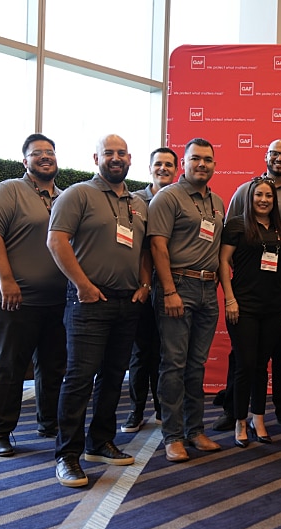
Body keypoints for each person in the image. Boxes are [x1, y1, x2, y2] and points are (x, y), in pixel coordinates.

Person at [47, 134, 152, 487]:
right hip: (89, 301)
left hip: (127, 302)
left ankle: (100, 442)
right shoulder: (78, 194)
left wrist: (144, 284)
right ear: (97, 158)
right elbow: (56, 240)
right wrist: (83, 285)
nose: (116, 158)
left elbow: (144, 250)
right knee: (79, 379)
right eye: (109, 153)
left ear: (130, 158)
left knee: (112, 377)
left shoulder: (139, 203)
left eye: (122, 152)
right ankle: (67, 456)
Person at [214, 139, 281, 434]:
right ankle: (234, 410)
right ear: (266, 156)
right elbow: (231, 240)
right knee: (242, 355)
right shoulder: (245, 190)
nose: (279, 158)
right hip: (248, 288)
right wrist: (243, 277)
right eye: (274, 153)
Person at [0, 133, 67, 456]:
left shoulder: (64, 197)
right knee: (10, 366)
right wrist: (7, 280)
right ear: (24, 161)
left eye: (50, 152)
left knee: (54, 366)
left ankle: (50, 423)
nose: (45, 157)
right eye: (37, 153)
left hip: (56, 300)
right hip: (13, 297)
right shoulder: (8, 191)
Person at [148, 138, 225, 463]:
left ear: (214, 165)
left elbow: (219, 250)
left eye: (208, 159)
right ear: (184, 162)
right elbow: (157, 247)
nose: (202, 164)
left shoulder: (217, 202)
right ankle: (173, 436)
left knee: (196, 366)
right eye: (196, 159)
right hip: (177, 286)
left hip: (209, 290)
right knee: (174, 366)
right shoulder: (168, 197)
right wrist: (168, 291)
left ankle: (195, 430)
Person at [219, 177, 281, 447]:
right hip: (244, 307)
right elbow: (223, 261)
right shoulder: (237, 225)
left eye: (268, 196)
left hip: (274, 307)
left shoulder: (279, 228)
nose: (264, 200)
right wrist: (230, 299)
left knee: (262, 366)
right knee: (245, 365)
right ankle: (240, 420)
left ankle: (258, 417)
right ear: (250, 198)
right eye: (259, 195)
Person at [121, 147, 178, 433]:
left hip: (172, 288)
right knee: (140, 353)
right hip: (140, 289)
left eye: (169, 164)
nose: (163, 168)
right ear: (150, 168)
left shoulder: (181, 201)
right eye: (158, 164)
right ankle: (135, 411)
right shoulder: (133, 202)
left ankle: (160, 407)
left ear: (176, 169)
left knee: (164, 352)